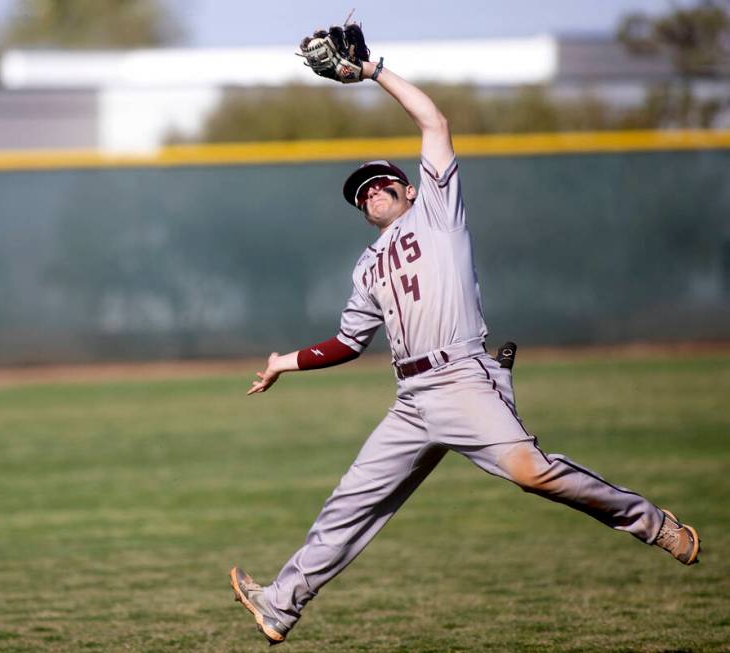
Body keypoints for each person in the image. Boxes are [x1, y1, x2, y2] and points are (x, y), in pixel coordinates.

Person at [228, 48, 701, 647]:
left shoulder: (438, 214)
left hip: (462, 378)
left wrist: (375, 73)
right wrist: (283, 362)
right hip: (412, 397)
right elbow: (348, 343)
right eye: (361, 193)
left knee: (533, 475)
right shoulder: (367, 266)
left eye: (380, 183)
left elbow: (434, 123)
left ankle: (650, 523)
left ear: (406, 189)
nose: (370, 193)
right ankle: (280, 605)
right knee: (351, 503)